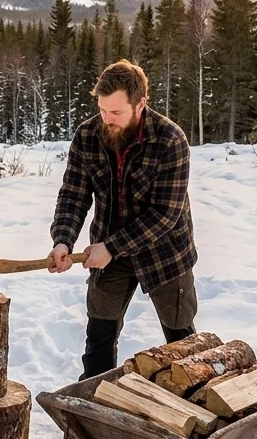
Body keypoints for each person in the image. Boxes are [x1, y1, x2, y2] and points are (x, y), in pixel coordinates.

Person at [49, 59, 198, 387]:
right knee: (99, 338)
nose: (107, 119)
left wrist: (111, 247)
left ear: (141, 104)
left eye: (115, 112)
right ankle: (94, 411)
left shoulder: (170, 140)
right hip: (107, 253)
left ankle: (195, 416)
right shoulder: (88, 136)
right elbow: (73, 195)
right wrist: (63, 240)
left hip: (165, 254)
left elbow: (164, 215)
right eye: (102, 110)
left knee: (182, 341)